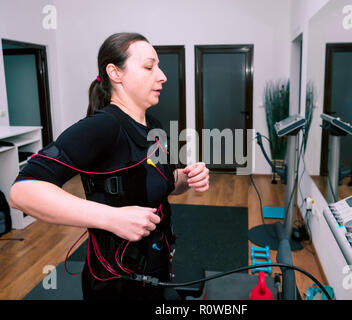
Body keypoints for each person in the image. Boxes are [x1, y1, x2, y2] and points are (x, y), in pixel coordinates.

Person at [9, 32, 210, 300]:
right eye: (149, 67)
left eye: (159, 67)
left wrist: (188, 177)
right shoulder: (102, 127)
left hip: (156, 264)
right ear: (115, 73)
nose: (162, 76)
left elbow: (165, 182)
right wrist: (111, 218)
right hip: (115, 281)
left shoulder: (155, 127)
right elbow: (22, 191)